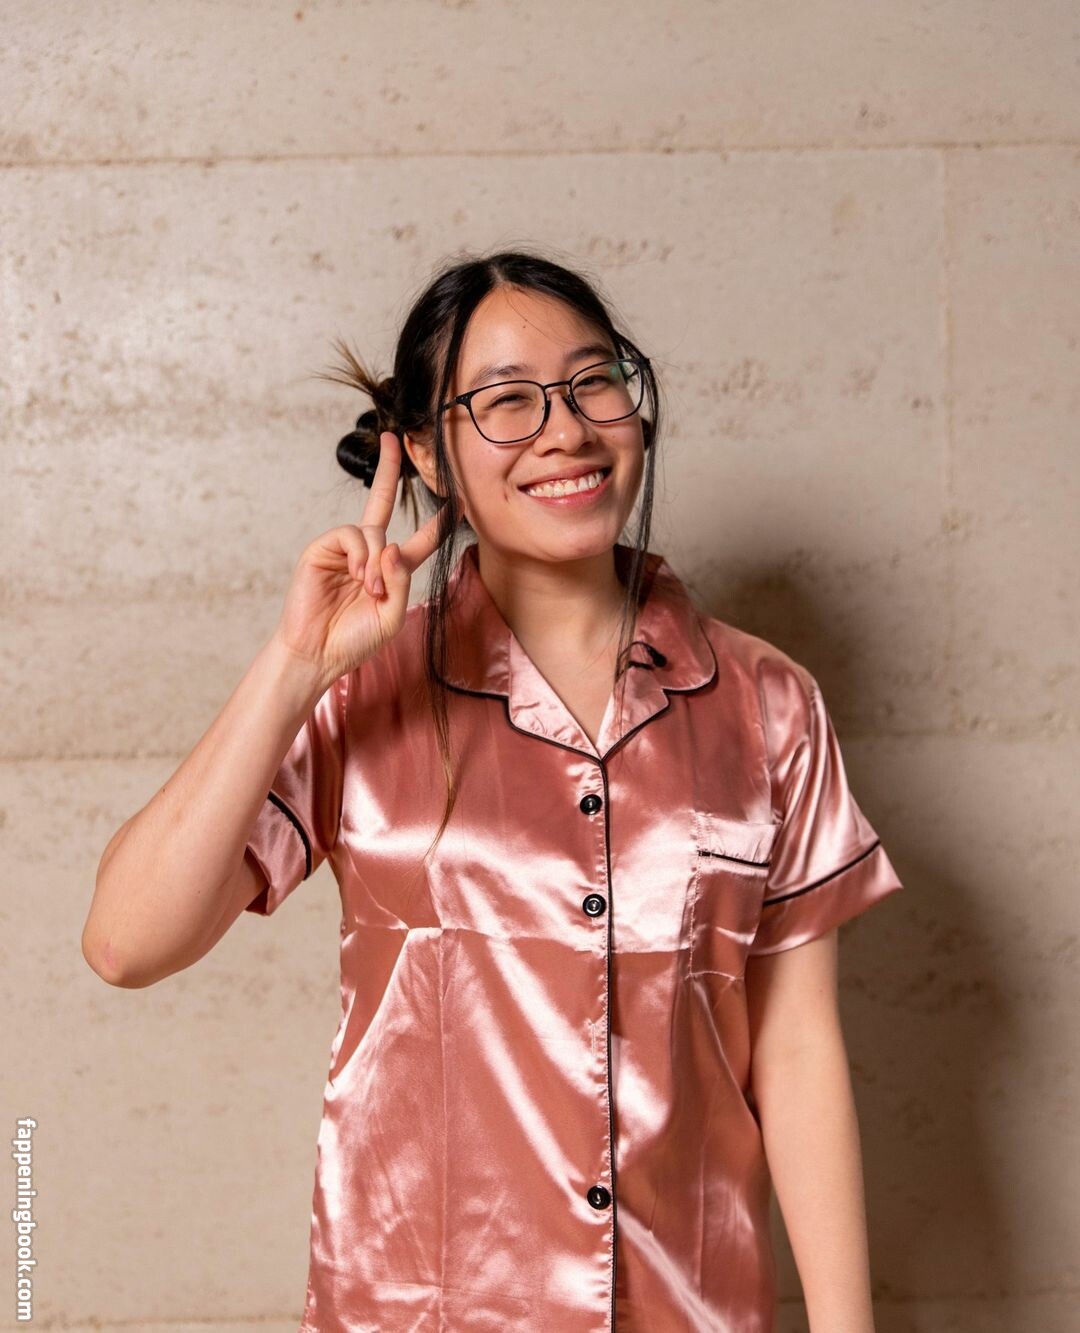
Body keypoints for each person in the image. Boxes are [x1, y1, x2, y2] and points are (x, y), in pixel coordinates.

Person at [83, 247, 904, 1332]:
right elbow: (127, 942)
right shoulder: (363, 689)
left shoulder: (768, 704)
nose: (566, 431)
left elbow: (796, 1051)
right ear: (427, 449)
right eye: (508, 401)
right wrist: (293, 668)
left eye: (593, 381)